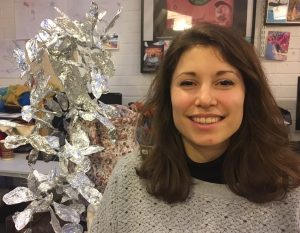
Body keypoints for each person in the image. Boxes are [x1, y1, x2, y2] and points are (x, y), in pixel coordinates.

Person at [90, 23, 300, 232]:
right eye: (188, 83)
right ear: (168, 96)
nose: (205, 99)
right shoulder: (129, 178)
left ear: (248, 94)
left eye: (224, 82)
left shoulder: (292, 196)